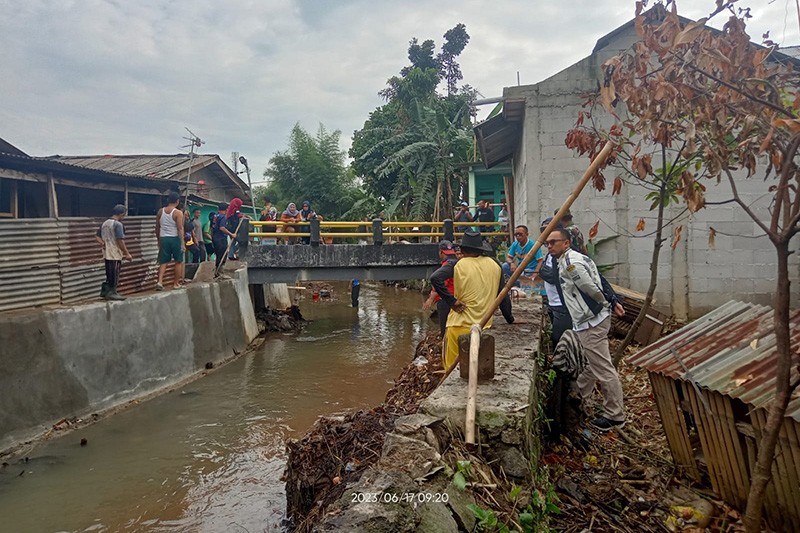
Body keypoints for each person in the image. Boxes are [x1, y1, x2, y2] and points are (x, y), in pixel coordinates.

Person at [546, 228, 626, 432]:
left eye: (554, 242)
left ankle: (615, 415)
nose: (549, 246)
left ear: (566, 243)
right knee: (594, 362)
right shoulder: (571, 258)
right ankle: (579, 395)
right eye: (548, 243)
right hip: (590, 320)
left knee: (603, 368)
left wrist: (602, 303)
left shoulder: (572, 263)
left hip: (591, 321)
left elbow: (590, 287)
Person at [440, 231, 503, 369]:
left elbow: (435, 278)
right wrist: (509, 318)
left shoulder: (458, 265)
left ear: (462, 249)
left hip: (458, 325)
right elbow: (502, 296)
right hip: (483, 327)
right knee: (475, 369)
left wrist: (452, 301)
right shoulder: (495, 265)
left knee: (451, 370)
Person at [95, 204, 132, 300]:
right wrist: (126, 253)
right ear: (122, 214)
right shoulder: (118, 224)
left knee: (109, 273)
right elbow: (120, 240)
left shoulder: (105, 223)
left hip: (107, 252)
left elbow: (97, 236)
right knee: (115, 273)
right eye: (124, 215)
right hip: (115, 252)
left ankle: (106, 291)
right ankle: (112, 292)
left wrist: (103, 243)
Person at [423, 240, 459, 337]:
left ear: (440, 252)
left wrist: (431, 299)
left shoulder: (447, 265)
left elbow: (442, 283)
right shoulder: (457, 261)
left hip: (446, 300)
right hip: (456, 298)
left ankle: (445, 344)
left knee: (444, 328)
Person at [155, 192, 186, 291]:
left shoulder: (160, 211)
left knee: (163, 261)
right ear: (177, 201)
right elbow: (180, 228)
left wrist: (158, 240)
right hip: (175, 238)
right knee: (178, 261)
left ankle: (160, 282)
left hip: (163, 238)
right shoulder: (178, 213)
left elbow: (157, 227)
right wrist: (182, 243)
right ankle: (176, 283)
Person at [211, 202, 236, 271]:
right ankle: (220, 271)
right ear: (226, 209)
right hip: (221, 238)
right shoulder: (223, 217)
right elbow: (222, 228)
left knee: (218, 255)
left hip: (215, 237)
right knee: (222, 255)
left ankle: (217, 270)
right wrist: (231, 234)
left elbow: (212, 227)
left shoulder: (215, 216)